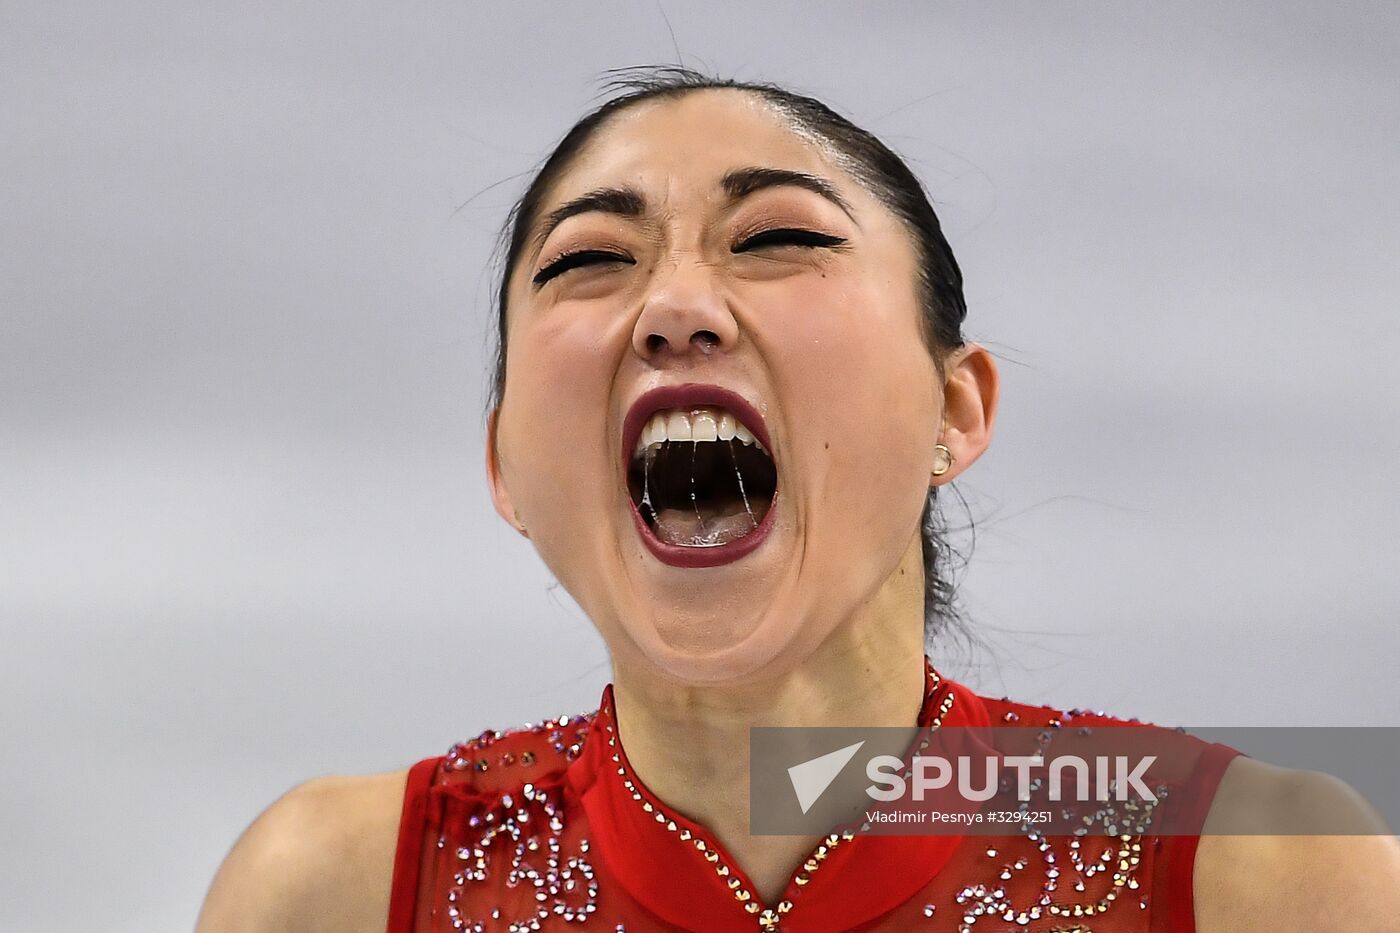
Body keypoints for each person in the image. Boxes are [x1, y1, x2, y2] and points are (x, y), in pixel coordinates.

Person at [196, 69, 1400, 933]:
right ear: (506, 464)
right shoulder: (339, 890)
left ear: (955, 411)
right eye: (588, 261)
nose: (674, 306)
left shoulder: (1262, 871)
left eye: (773, 236)